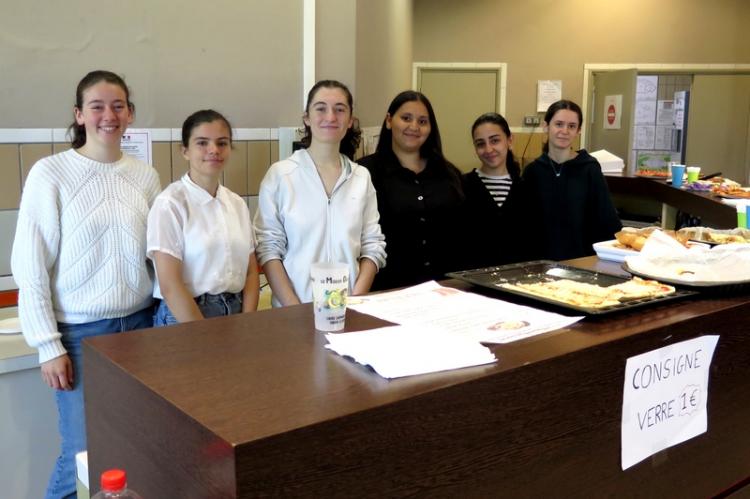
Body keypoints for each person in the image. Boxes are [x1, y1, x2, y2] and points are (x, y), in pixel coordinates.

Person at [11, 70, 161, 499]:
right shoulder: (51, 173)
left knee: (134, 447)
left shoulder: (145, 176)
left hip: (140, 329)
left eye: (118, 105)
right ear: (79, 115)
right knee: (84, 452)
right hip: (80, 336)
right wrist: (48, 344)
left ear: (130, 113)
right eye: (96, 106)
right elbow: (30, 264)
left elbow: (158, 255)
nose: (108, 115)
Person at [254, 80, 386, 307]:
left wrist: (354, 301)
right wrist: (293, 307)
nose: (331, 117)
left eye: (340, 109)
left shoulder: (361, 177)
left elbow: (373, 245)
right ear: (307, 117)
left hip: (347, 309)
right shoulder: (281, 175)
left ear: (350, 120)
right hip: (292, 311)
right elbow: (268, 248)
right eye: (321, 108)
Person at [147, 110, 259, 325]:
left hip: (235, 310)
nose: (213, 150)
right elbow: (170, 285)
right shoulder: (170, 203)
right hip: (185, 316)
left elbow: (251, 272)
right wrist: (203, 334)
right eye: (202, 143)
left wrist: (247, 321)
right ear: (185, 151)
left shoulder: (236, 203)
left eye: (222, 143)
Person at [359, 90, 465, 290]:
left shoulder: (449, 174)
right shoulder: (364, 173)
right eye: (406, 118)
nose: (414, 127)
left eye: (423, 121)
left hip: (445, 289)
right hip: (388, 290)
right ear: (389, 121)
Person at [522, 100, 621, 261]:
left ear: (578, 131)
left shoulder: (589, 168)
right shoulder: (532, 171)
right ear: (546, 127)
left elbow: (607, 219)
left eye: (571, 126)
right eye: (559, 124)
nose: (564, 131)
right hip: (539, 262)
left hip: (581, 261)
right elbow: (524, 223)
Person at [462, 112, 526, 267]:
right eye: (480, 144)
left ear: (510, 141)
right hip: (473, 283)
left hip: (517, 282)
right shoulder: (462, 186)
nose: (488, 149)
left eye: (495, 141)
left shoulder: (526, 188)